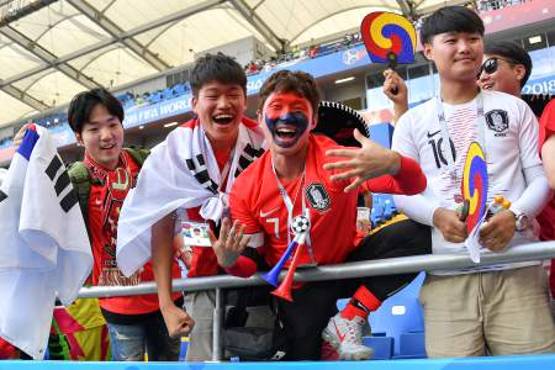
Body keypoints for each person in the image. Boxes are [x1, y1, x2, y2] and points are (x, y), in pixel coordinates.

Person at [213, 70, 430, 360]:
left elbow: (415, 185)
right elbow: (249, 263)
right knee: (307, 360)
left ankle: (350, 317)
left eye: (298, 110)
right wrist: (229, 262)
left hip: (345, 266)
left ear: (313, 121)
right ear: (261, 117)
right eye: (276, 108)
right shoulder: (246, 186)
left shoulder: (338, 160)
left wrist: (394, 163)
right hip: (298, 286)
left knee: (419, 232)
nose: (286, 117)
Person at [391, 6, 555, 357]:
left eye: (473, 39)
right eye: (452, 40)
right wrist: (437, 216)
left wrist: (516, 216)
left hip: (518, 271)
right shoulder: (411, 122)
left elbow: (539, 179)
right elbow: (403, 194)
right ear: (428, 50)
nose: (465, 48)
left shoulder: (514, 108)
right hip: (448, 276)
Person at [115, 53, 266, 361]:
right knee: (202, 360)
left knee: (261, 356)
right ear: (194, 103)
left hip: (258, 275)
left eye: (233, 95)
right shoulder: (171, 153)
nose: (224, 104)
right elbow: (161, 226)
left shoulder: (264, 144)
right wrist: (167, 303)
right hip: (202, 280)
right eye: (213, 96)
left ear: (245, 99)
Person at [64, 88, 183, 361]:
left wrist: (182, 246)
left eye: (112, 124)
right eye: (94, 129)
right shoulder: (75, 182)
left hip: (167, 293)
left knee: (169, 366)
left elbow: (169, 217)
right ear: (79, 137)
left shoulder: (147, 164)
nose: (106, 136)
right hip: (118, 302)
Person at [477, 40, 555, 303]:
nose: (482, 76)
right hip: (502, 250)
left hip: (537, 251)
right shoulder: (469, 125)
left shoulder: (545, 114)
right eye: (477, 71)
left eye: (489, 66)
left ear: (518, 72)